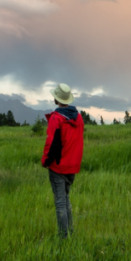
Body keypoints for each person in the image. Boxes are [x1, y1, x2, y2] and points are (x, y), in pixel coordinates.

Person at [42, 82, 84, 238]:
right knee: (66, 200)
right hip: (72, 166)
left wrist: (45, 161)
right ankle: (70, 232)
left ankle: (63, 237)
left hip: (58, 167)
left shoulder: (56, 118)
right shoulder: (78, 117)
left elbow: (51, 143)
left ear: (56, 98)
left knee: (60, 203)